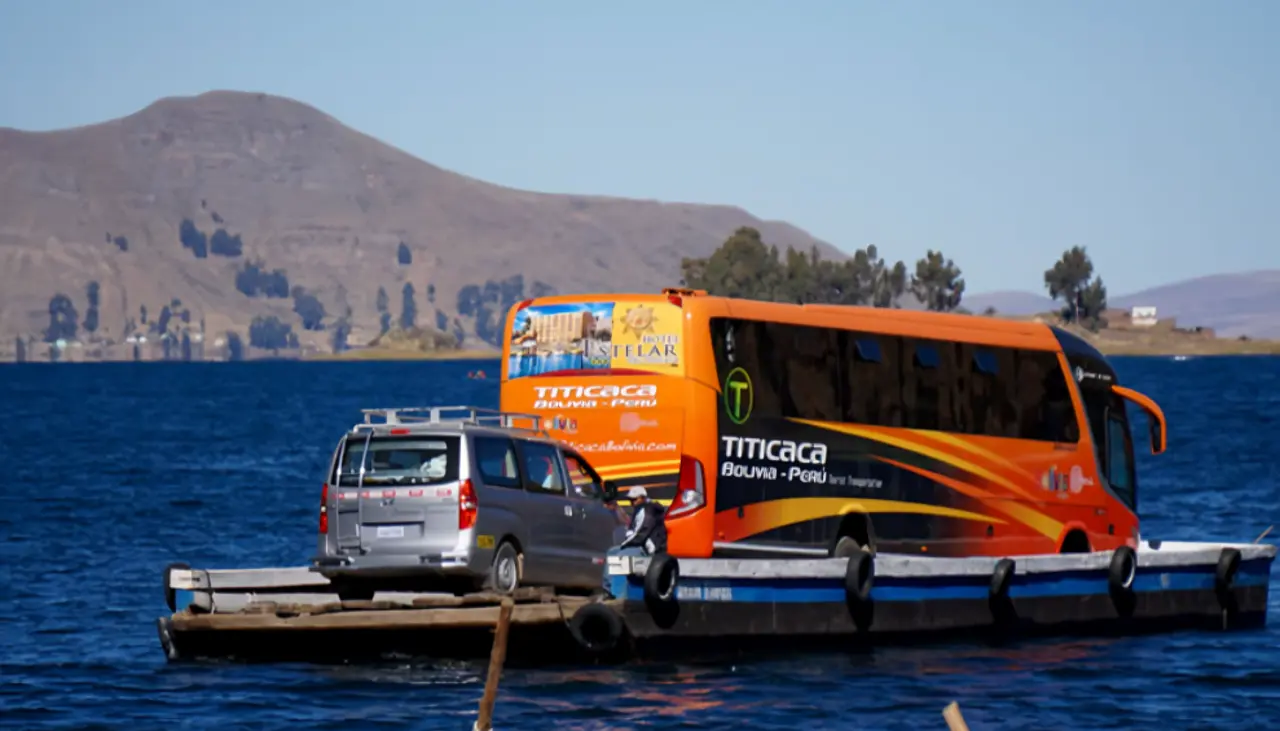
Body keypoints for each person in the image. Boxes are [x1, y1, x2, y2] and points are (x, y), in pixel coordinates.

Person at [600, 486, 667, 596]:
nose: (631, 503)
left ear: (642, 498)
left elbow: (641, 534)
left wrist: (625, 544)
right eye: (630, 500)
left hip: (646, 548)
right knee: (611, 552)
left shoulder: (647, 510)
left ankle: (615, 593)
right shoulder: (640, 509)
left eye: (634, 500)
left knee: (619, 556)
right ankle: (607, 588)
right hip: (640, 545)